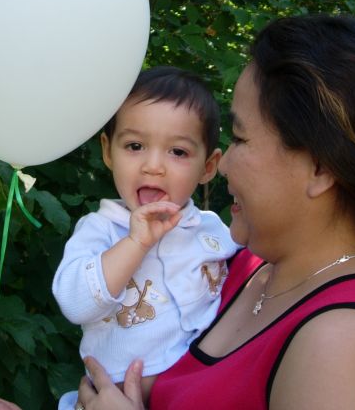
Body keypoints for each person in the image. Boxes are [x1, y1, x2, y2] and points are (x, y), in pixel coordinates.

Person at [0, 14, 355, 410]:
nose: (223, 162)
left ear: (321, 168)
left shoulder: (345, 343)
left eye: (239, 137)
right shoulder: (237, 268)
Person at [52, 66, 239, 408]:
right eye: (135, 145)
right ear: (108, 151)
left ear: (208, 167)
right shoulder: (102, 230)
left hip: (195, 393)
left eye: (178, 152)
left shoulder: (212, 230)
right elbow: (74, 303)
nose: (153, 165)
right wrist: (135, 244)